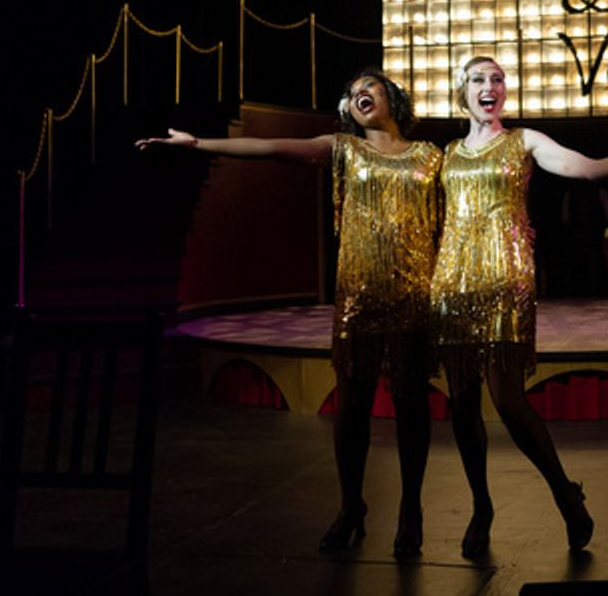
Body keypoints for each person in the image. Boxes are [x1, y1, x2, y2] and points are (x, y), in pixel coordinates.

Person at [135, 69, 442, 558]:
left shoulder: (429, 156)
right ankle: (351, 506)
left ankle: (411, 510)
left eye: (369, 87)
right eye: (351, 93)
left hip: (413, 298)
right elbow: (271, 146)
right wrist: (197, 144)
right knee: (353, 406)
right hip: (359, 297)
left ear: (392, 98)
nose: (359, 95)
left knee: (411, 406)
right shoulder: (343, 148)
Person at [431, 55, 608, 557]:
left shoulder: (523, 141)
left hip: (504, 280)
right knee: (464, 402)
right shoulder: (447, 154)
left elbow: (585, 167)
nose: (490, 86)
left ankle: (564, 493)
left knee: (508, 399)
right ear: (462, 91)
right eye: (479, 79)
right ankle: (481, 507)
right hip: (452, 284)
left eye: (498, 79)